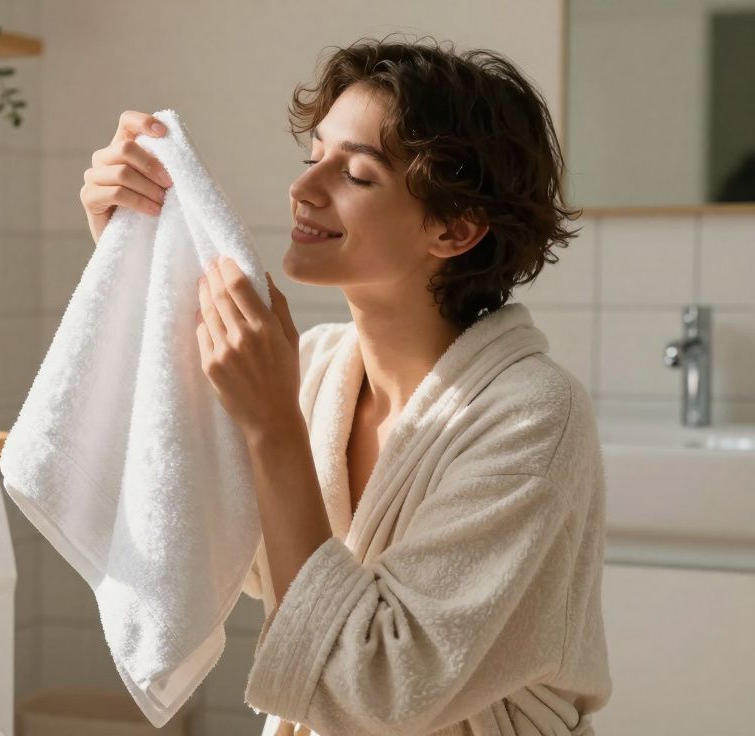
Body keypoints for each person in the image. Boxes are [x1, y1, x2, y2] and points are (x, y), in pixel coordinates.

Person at [78, 36, 611, 736]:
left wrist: (274, 428)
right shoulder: (317, 369)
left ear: (455, 227)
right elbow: (192, 514)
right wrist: (131, 247)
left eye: (356, 175)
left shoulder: (534, 417)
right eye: (312, 157)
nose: (304, 188)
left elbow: (385, 686)